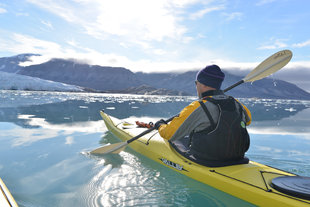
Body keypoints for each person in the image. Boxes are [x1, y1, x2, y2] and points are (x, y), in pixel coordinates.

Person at [154, 65, 252, 167]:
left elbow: (169, 134)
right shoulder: (236, 103)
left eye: (196, 83)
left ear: (203, 84)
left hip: (208, 160)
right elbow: (248, 121)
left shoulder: (198, 106)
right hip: (237, 158)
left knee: (179, 137)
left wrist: (160, 125)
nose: (196, 86)